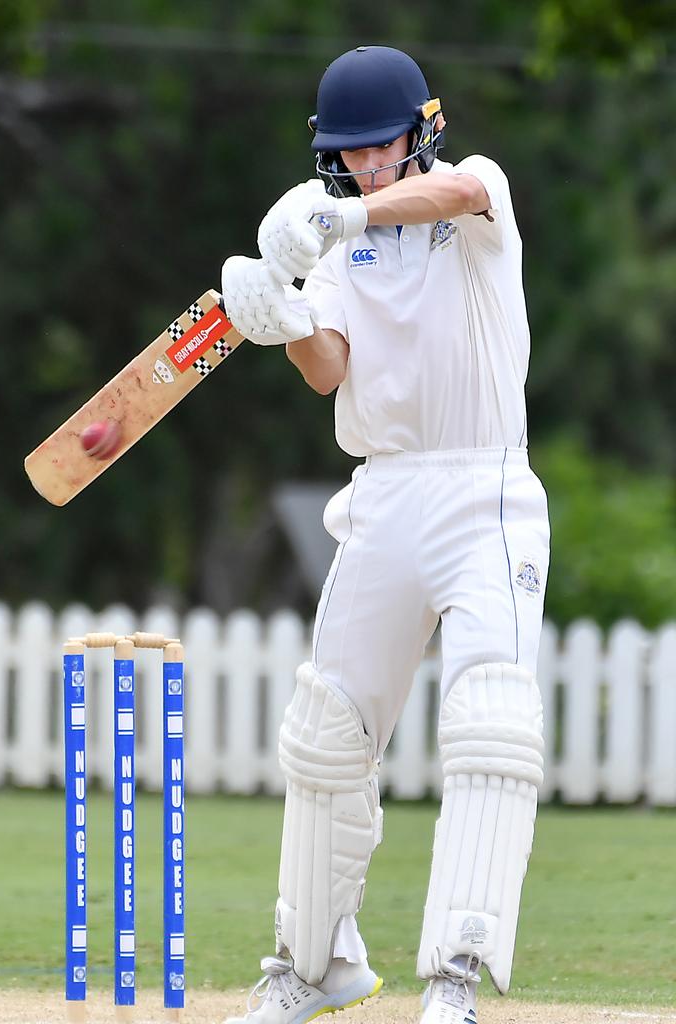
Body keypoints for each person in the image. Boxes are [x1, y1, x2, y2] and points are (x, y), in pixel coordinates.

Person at [221, 44, 550, 1024]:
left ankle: (455, 975)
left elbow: (450, 201)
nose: (366, 165)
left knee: (491, 721)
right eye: (351, 156)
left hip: (485, 485)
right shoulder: (341, 249)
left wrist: (349, 213)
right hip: (385, 489)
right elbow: (330, 371)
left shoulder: (472, 194)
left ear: (422, 130)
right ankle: (319, 968)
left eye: (382, 146)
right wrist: (278, 316)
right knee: (326, 735)